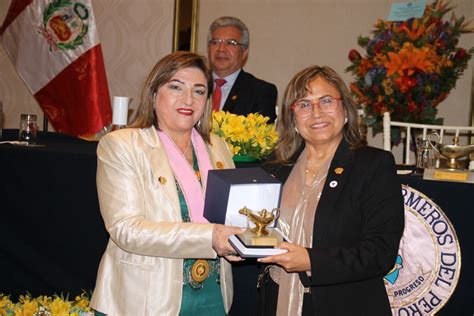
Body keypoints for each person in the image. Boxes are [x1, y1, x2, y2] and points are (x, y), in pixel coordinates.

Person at [90, 51, 245, 315]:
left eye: (198, 91)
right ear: (153, 94)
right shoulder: (122, 145)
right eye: (176, 87)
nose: (188, 99)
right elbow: (127, 230)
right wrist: (212, 237)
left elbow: (232, 216)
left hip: (213, 295)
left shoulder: (218, 148)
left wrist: (242, 238)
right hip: (145, 298)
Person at [257, 65, 405, 315]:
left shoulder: (374, 165)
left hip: (343, 305)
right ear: (293, 118)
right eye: (303, 104)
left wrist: (312, 261)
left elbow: (381, 251)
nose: (316, 113)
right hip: (276, 300)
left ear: (345, 110)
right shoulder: (275, 168)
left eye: (326, 101)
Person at [207, 16, 278, 122]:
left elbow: (258, 136)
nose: (221, 49)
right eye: (215, 42)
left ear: (244, 52)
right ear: (208, 48)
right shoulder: (195, 84)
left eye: (230, 43)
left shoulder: (261, 92)